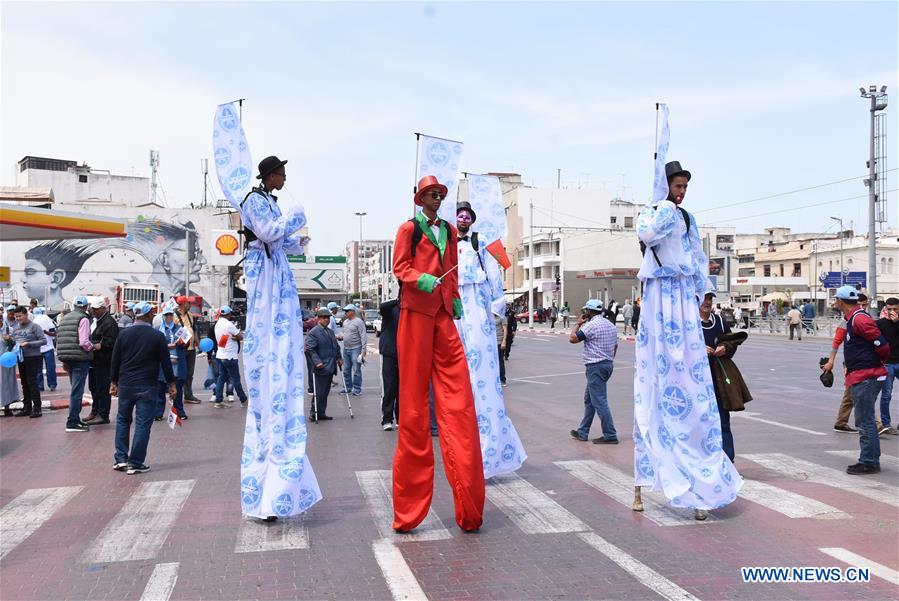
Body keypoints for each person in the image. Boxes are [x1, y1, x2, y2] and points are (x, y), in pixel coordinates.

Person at [633, 160, 742, 521]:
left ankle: (701, 474)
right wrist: (663, 205)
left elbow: (698, 260)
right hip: (658, 296)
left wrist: (702, 295)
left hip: (682, 298)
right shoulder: (653, 213)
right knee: (653, 382)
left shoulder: (688, 220)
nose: (681, 193)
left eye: (684, 188)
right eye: (676, 186)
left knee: (691, 382)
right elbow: (648, 235)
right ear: (664, 186)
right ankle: (651, 477)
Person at [391, 175, 485, 533]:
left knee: (459, 399)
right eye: (432, 194)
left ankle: (470, 505)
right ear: (420, 198)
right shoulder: (408, 229)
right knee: (413, 406)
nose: (437, 198)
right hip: (416, 314)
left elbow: (452, 268)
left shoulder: (447, 229)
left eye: (440, 194)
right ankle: (408, 512)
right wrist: (421, 279)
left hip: (443, 313)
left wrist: (454, 296)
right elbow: (400, 267)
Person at [238, 155, 321, 521]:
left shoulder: (269, 201)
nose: (285, 180)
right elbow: (269, 233)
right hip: (264, 275)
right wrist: (295, 218)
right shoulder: (255, 201)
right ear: (270, 175)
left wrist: (297, 242)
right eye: (281, 175)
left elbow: (279, 241)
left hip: (278, 271)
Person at [455, 200, 526, 478]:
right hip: (454, 303)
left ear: (472, 220)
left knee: (480, 370)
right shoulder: (446, 241)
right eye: (460, 215)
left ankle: (488, 452)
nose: (463, 219)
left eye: (467, 216)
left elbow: (494, 274)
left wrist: (495, 305)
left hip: (475, 304)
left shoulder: (479, 241)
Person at [829, 286, 890, 474]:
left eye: (836, 300)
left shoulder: (859, 319)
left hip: (865, 375)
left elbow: (882, 345)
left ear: (841, 301)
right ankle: (871, 458)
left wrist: (876, 362)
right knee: (867, 419)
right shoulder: (853, 318)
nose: (835, 303)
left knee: (865, 421)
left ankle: (869, 461)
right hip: (862, 374)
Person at [111, 302, 176, 474]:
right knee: (142, 423)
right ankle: (135, 462)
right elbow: (166, 363)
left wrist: (113, 382)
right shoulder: (157, 336)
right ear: (149, 315)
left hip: (126, 383)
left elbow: (115, 360)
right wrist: (171, 383)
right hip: (147, 384)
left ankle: (120, 459)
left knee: (123, 420)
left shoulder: (123, 334)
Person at [822, 293, 885, 434]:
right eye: (860, 304)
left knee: (852, 392)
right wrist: (831, 361)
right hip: (853, 363)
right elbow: (836, 342)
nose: (862, 307)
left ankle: (841, 422)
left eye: (864, 305)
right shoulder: (846, 320)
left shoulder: (865, 318)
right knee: (860, 392)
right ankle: (875, 424)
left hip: (866, 362)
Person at [700, 292, 751, 462]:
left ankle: (727, 461)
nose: (707, 302)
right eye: (704, 298)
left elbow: (732, 342)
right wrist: (698, 349)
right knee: (698, 422)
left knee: (722, 420)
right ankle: (703, 460)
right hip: (697, 380)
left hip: (719, 378)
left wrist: (725, 348)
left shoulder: (719, 321)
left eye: (710, 298)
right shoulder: (689, 323)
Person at [569, 299, 618, 444]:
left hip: (595, 367)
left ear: (589, 312)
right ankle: (583, 432)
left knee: (600, 401)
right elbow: (615, 346)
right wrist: (608, 359)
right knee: (590, 400)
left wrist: (578, 324)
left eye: (586, 311)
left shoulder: (591, 325)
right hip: (607, 365)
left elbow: (573, 339)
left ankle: (610, 435)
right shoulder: (610, 325)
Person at [56, 295, 96, 432]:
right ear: (86, 307)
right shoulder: (83, 319)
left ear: (74, 305)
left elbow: (60, 338)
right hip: (80, 358)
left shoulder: (65, 318)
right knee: (77, 391)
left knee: (74, 389)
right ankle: (72, 421)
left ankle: (74, 419)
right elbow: (84, 341)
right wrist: (92, 347)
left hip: (67, 357)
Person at [85, 298, 119, 425]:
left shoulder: (109, 323)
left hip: (104, 361)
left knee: (102, 389)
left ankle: (103, 414)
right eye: (92, 309)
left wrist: (96, 345)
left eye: (96, 309)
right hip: (95, 360)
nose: (93, 311)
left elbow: (110, 342)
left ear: (104, 309)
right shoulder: (97, 321)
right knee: (93, 387)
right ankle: (95, 411)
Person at [306, 308, 342, 421]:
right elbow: (310, 349)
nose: (327, 319)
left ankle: (321, 412)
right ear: (319, 319)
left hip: (331, 366)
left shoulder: (330, 332)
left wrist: (339, 357)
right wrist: (317, 362)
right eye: (324, 318)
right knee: (319, 392)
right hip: (321, 366)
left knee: (325, 392)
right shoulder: (314, 332)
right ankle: (314, 413)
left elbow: (335, 346)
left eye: (328, 318)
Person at [12, 306, 45, 418]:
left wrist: (29, 344)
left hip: (33, 357)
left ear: (26, 314)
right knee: (24, 383)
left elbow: (43, 341)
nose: (18, 318)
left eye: (20, 316)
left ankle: (37, 408)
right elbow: (14, 342)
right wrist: (9, 340)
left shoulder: (35, 326)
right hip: (21, 358)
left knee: (32, 382)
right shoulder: (16, 328)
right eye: (16, 316)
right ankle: (27, 407)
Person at [155, 306, 187, 420]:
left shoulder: (179, 328)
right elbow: (155, 345)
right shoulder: (158, 329)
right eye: (166, 315)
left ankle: (180, 411)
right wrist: (165, 346)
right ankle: (158, 413)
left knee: (177, 388)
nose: (168, 317)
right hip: (163, 362)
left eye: (170, 315)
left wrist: (182, 343)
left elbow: (186, 343)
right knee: (160, 389)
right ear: (163, 316)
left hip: (177, 361)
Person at [213, 305, 248, 409]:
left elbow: (223, 339)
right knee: (236, 379)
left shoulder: (218, 324)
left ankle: (218, 400)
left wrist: (231, 337)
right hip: (230, 356)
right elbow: (240, 336)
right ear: (228, 314)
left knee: (221, 378)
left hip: (221, 354)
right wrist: (235, 337)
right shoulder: (229, 324)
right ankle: (243, 400)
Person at [875, 297, 899, 436]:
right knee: (886, 395)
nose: (892, 312)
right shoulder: (880, 324)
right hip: (887, 363)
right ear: (885, 309)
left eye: (895, 309)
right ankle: (886, 424)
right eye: (889, 309)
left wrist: (897, 323)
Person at [378, 298, 400, 430]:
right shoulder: (391, 308)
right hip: (389, 352)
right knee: (389, 386)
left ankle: (400, 418)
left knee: (402, 388)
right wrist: (397, 301)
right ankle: (387, 419)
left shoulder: (409, 309)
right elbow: (382, 307)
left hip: (404, 353)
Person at [175, 296, 201, 404]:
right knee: (179, 373)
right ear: (182, 304)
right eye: (188, 303)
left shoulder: (190, 315)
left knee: (189, 373)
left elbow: (194, 330)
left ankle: (188, 395)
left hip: (191, 348)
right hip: (180, 349)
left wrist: (198, 344)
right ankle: (176, 395)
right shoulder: (174, 316)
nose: (190, 305)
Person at [340, 304, 367, 396]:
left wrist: (363, 350)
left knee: (356, 370)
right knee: (346, 370)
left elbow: (363, 336)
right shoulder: (345, 322)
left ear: (353, 311)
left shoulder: (359, 322)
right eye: (345, 311)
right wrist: (341, 336)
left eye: (347, 311)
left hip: (356, 348)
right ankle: (347, 387)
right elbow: (345, 333)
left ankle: (357, 388)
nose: (345, 313)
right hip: (346, 348)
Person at [32, 307, 57, 392]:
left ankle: (40, 386)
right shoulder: (47, 319)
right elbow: (54, 333)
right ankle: (52, 384)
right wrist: (46, 332)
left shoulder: (33, 321)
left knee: (38, 369)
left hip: (38, 348)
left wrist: (45, 332)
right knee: (50, 368)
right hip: (48, 348)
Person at [1, 306, 20, 417]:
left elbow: (16, 344)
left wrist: (10, 339)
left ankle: (7, 407)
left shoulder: (9, 330)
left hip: (6, 360)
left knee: (7, 383)